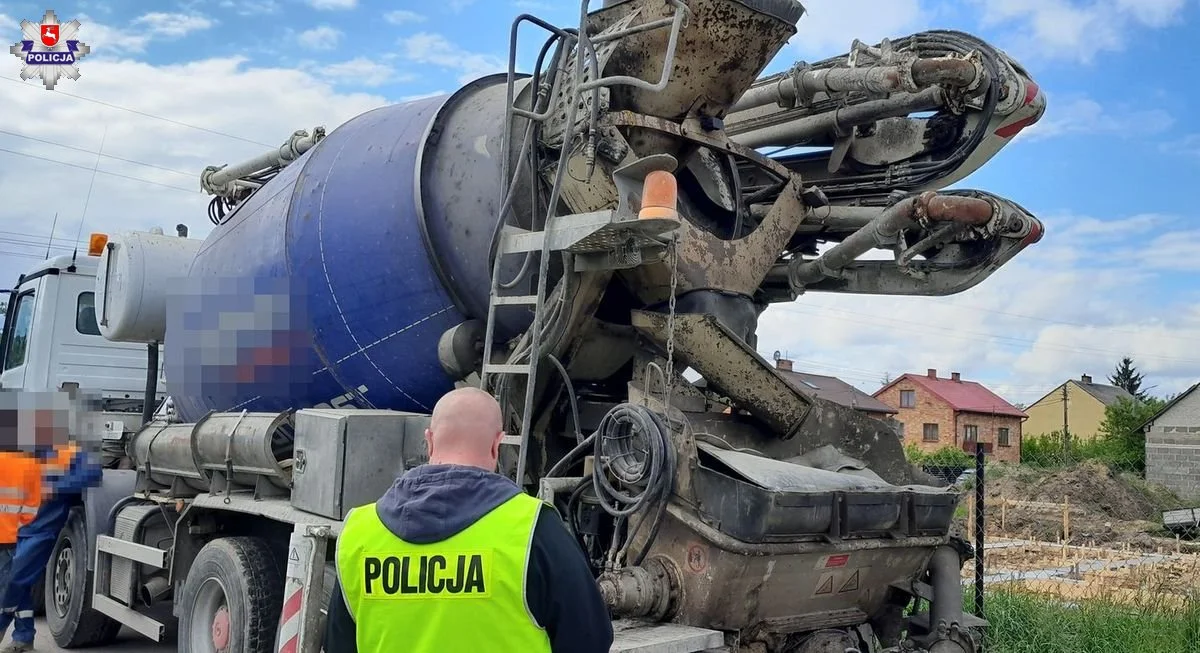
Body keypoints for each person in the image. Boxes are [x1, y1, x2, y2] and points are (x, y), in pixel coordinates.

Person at [324, 387, 614, 653]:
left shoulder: (360, 533)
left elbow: (340, 644)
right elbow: (590, 638)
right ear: (496, 446)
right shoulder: (531, 528)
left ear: (429, 441)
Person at [0, 399, 101, 653]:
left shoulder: (69, 452)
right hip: (18, 529)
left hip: (40, 531)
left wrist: (55, 487)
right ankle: (23, 638)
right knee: (20, 583)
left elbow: (91, 474)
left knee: (14, 581)